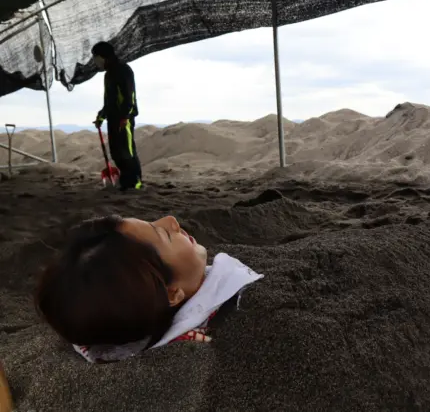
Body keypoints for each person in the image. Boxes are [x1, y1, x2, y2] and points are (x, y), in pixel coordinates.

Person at [34, 215, 264, 363]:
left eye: (154, 223)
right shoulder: (236, 322)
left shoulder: (103, 319)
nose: (171, 221)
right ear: (172, 293)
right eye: (164, 234)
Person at [91, 41, 143, 191]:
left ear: (103, 56)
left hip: (123, 119)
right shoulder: (108, 74)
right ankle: (125, 181)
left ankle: (135, 183)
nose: (94, 61)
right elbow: (109, 100)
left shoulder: (124, 70)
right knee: (116, 152)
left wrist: (126, 116)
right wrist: (102, 116)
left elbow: (129, 96)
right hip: (113, 118)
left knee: (127, 151)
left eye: (95, 57)